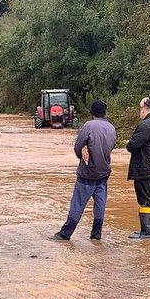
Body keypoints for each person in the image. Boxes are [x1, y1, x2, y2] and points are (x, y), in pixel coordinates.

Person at [51, 100, 116, 241]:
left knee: (78, 204)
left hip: (87, 173)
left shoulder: (88, 126)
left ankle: (65, 234)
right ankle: (96, 235)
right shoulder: (111, 128)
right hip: (104, 172)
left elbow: (77, 146)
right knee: (100, 205)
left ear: (91, 112)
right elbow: (112, 146)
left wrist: (82, 156)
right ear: (105, 113)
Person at [126, 87, 150, 239]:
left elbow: (132, 146)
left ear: (144, 109)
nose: (139, 112)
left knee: (144, 199)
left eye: (139, 108)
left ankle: (147, 232)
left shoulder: (145, 125)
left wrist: (131, 140)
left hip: (142, 167)